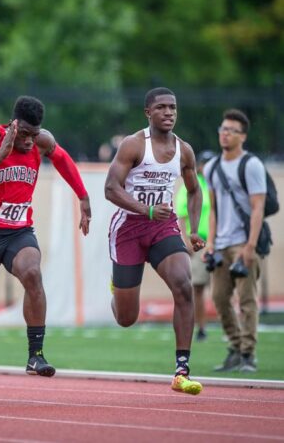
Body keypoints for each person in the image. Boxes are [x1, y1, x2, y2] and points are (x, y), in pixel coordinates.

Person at [0, 95, 91, 376]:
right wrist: (0, 157)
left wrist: (83, 197)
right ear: (14, 125)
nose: (28, 141)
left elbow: (62, 159)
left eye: (34, 135)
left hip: (18, 233)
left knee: (33, 274)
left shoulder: (40, 141)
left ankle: (35, 355)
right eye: (24, 134)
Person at [105, 87, 204, 395]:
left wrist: (195, 230)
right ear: (148, 112)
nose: (169, 112)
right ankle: (116, 286)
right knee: (126, 318)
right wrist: (145, 209)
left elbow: (195, 189)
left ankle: (181, 370)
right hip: (129, 230)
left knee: (183, 284)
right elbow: (111, 189)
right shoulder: (134, 145)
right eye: (161, 107)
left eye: (173, 107)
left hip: (164, 227)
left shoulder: (184, 150)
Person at [203, 109, 265, 373]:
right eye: (222, 129)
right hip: (221, 244)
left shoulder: (251, 165)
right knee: (218, 298)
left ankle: (248, 354)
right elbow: (214, 209)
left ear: (243, 136)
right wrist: (210, 242)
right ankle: (235, 347)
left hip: (243, 243)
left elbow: (258, 207)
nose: (225, 134)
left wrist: (250, 246)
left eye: (231, 130)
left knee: (247, 299)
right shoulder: (212, 167)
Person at [176, 149, 216, 342]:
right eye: (205, 164)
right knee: (198, 287)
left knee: (223, 288)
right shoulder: (191, 185)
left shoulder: (216, 184)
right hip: (200, 243)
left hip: (219, 242)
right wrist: (186, 242)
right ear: (198, 165)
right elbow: (181, 216)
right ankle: (201, 328)